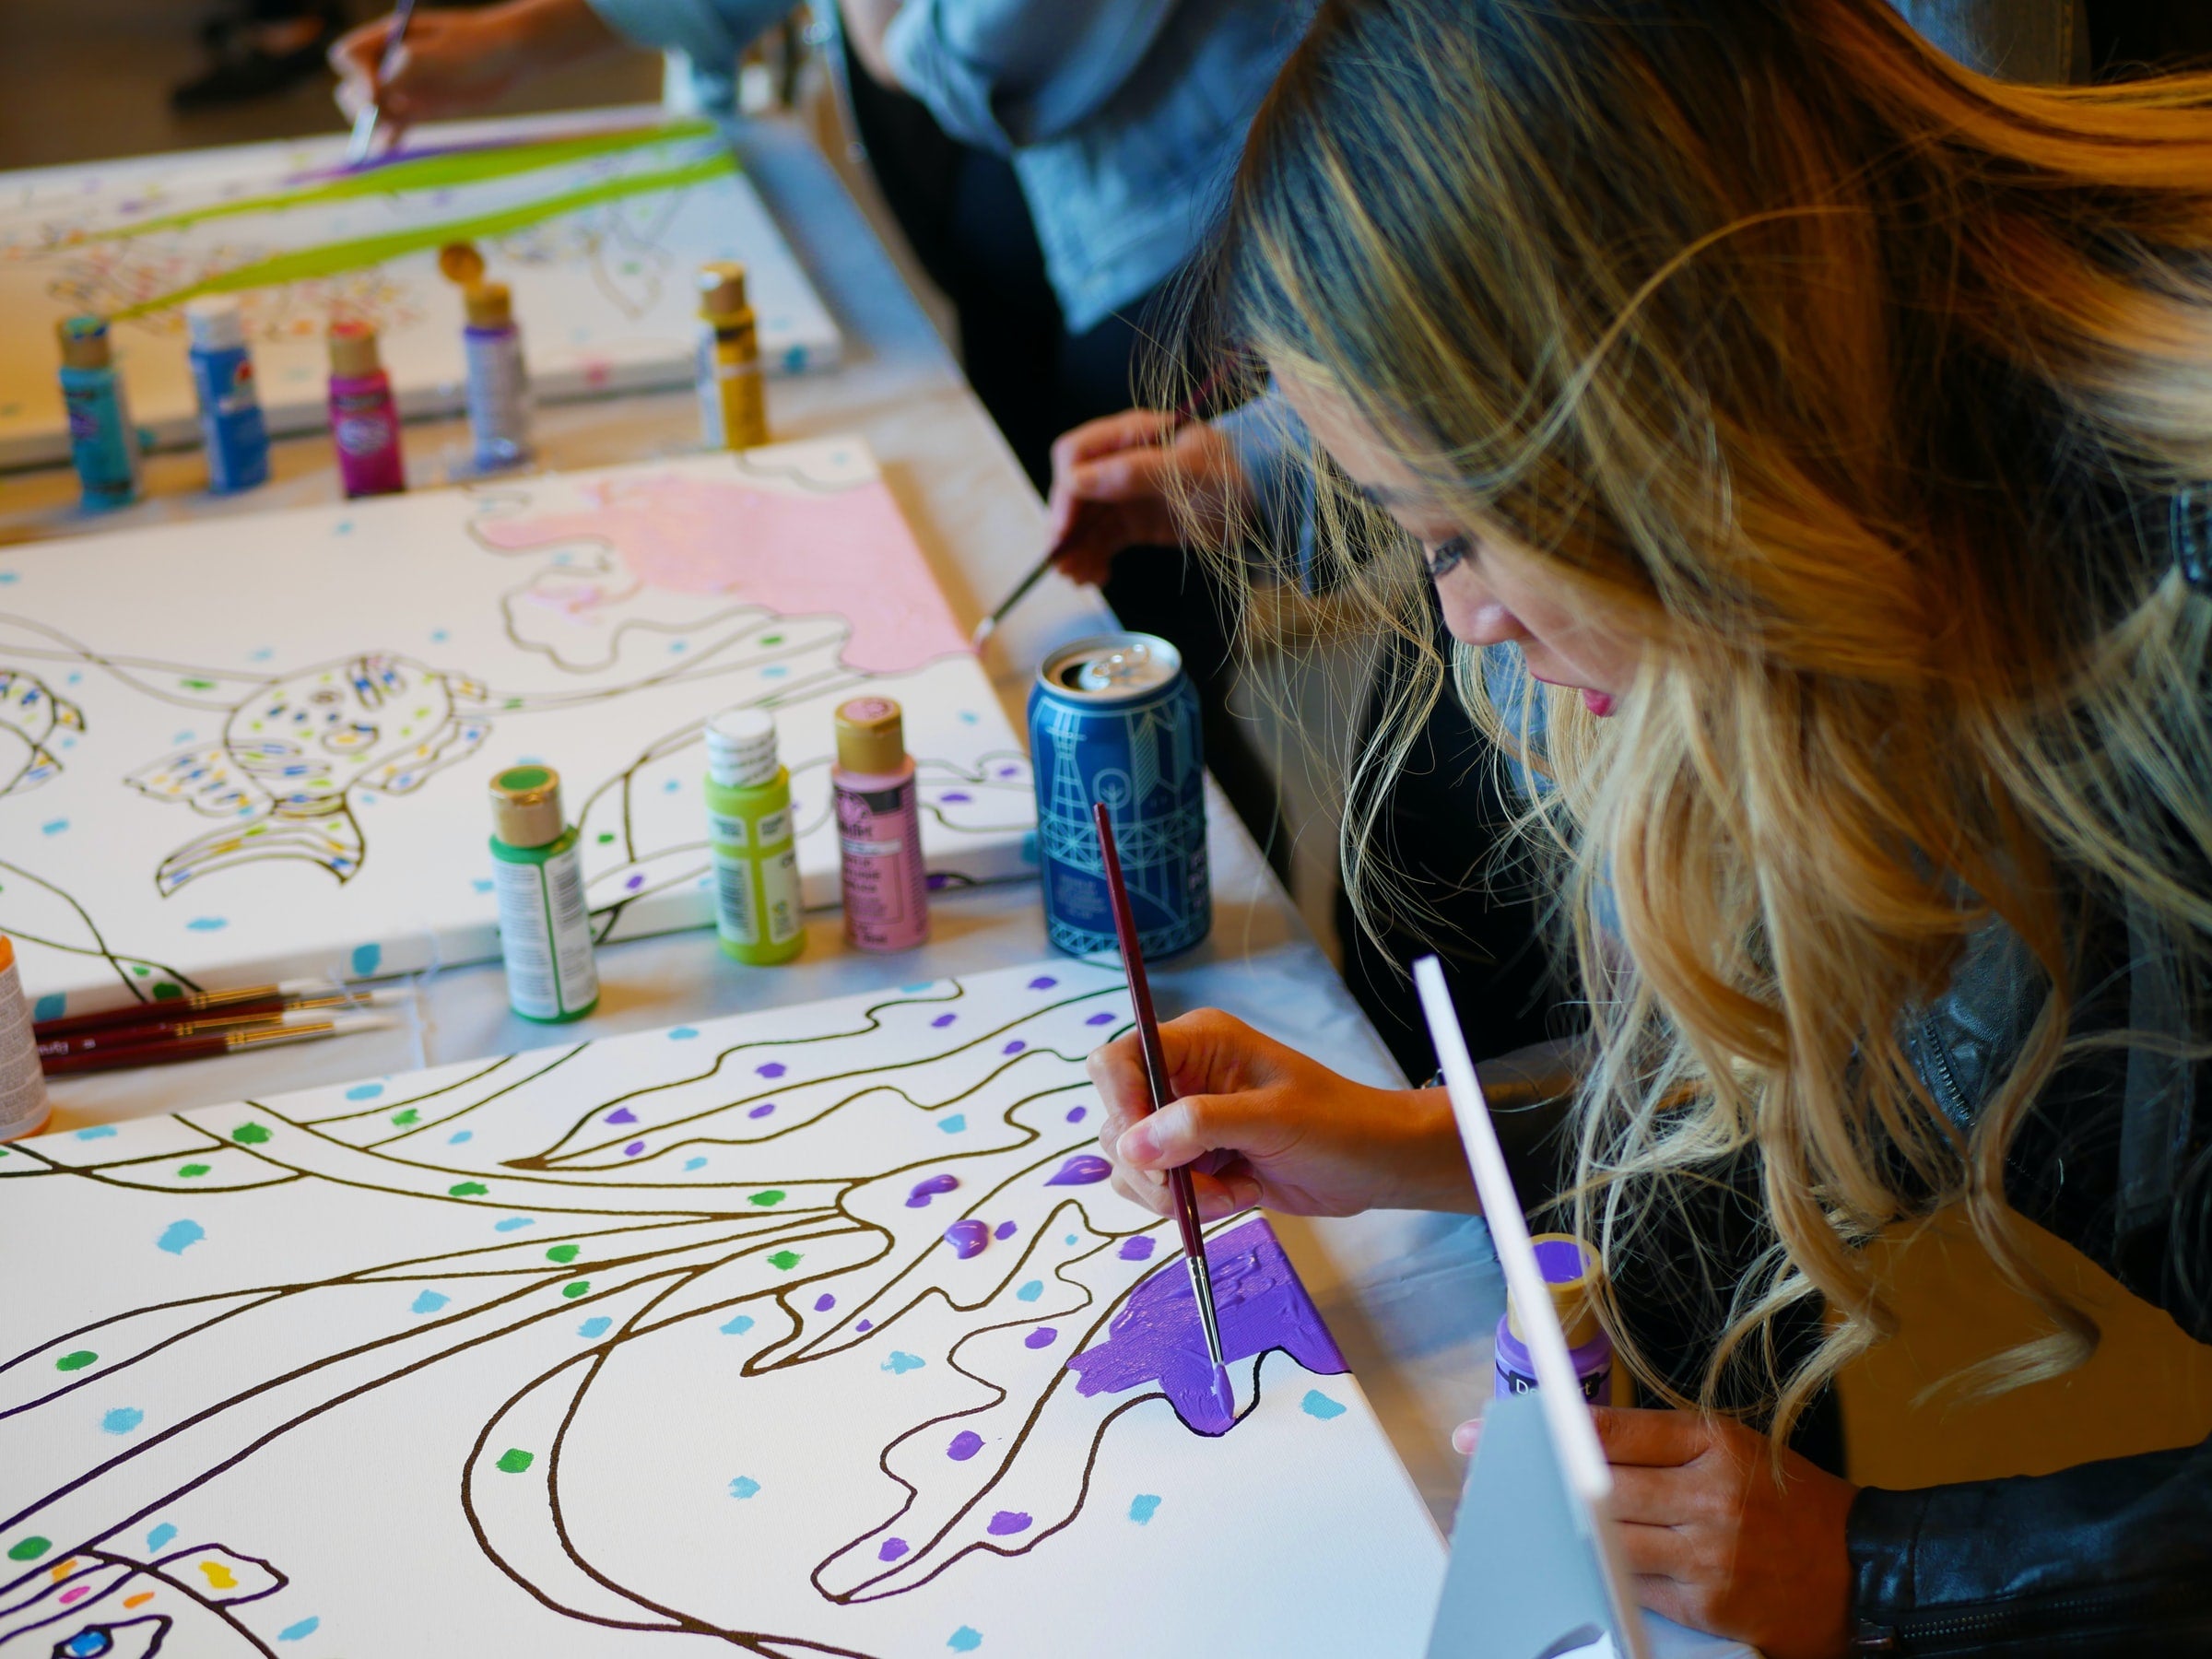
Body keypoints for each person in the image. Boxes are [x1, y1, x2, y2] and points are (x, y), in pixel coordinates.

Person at [1079, 2, 2212, 1653]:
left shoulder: (2164, 649)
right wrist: (1422, 1147)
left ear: (1666, 444)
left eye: (1458, 535)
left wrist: (1889, 1574)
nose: (1460, 620)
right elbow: (1850, 1055)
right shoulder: (1878, 539)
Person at [327, 0, 1311, 862]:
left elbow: (967, 56)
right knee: (1078, 548)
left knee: (1154, 662)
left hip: (1198, 205)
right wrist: (527, 37)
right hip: (1041, 202)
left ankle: (1222, 886)